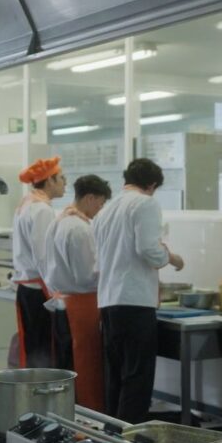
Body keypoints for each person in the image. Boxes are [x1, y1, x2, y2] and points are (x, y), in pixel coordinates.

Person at [93, 158, 184, 424]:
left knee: (116, 375)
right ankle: (129, 439)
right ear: (152, 185)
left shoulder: (105, 211)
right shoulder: (145, 203)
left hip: (108, 301)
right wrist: (172, 258)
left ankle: (111, 433)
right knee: (137, 377)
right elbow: (149, 250)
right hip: (134, 301)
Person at [43, 174, 112, 411]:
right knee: (85, 366)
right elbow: (86, 275)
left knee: (66, 364)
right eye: (100, 203)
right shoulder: (79, 229)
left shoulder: (59, 221)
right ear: (90, 198)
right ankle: (88, 416)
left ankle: (66, 411)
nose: (100, 209)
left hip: (62, 301)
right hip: (81, 306)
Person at [12, 156, 66, 368]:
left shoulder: (26, 203)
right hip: (40, 291)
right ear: (50, 180)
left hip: (27, 288)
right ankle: (41, 387)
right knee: (44, 350)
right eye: (61, 178)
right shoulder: (42, 210)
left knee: (32, 347)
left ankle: (33, 385)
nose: (65, 183)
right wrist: (56, 293)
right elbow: (44, 257)